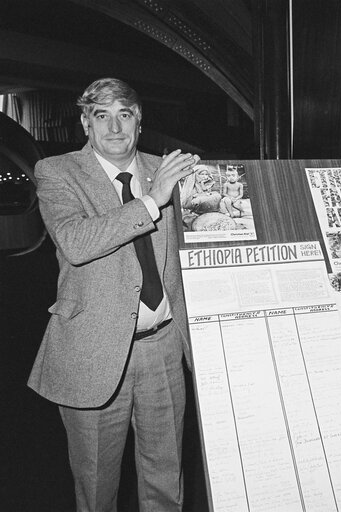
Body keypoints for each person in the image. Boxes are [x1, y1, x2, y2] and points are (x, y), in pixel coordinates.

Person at [27, 78, 199, 511]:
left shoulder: (168, 171)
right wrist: (150, 202)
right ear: (86, 124)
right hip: (94, 351)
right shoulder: (58, 172)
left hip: (163, 347)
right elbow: (77, 242)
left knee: (167, 478)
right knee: (97, 486)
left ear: (139, 121)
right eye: (102, 116)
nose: (115, 127)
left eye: (125, 114)